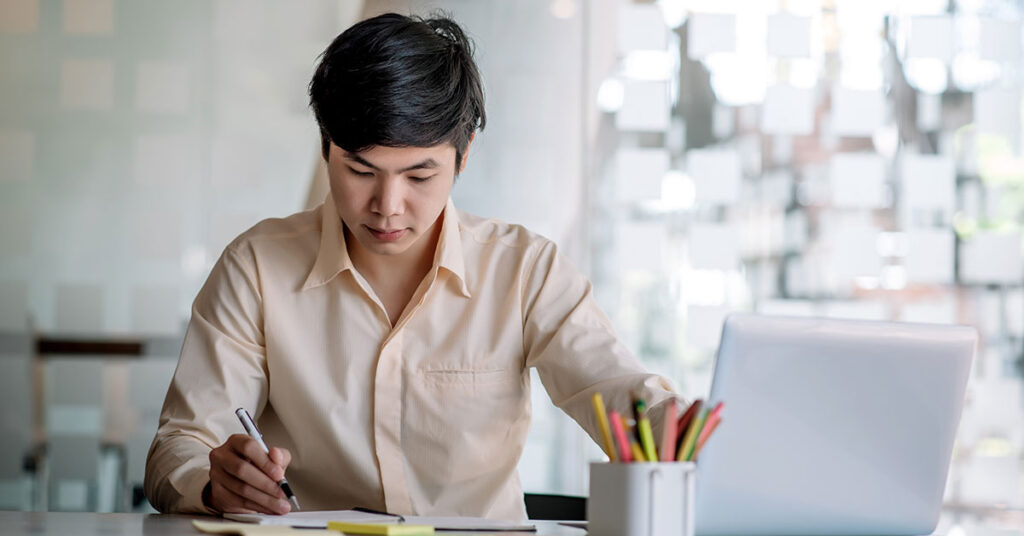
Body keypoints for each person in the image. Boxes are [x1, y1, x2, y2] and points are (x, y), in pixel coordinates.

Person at [145, 12, 681, 520]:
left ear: (464, 154)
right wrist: (215, 485)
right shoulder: (257, 267)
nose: (387, 205)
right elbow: (180, 446)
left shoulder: (523, 270)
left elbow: (620, 395)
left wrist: (689, 439)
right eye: (360, 170)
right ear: (327, 146)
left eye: (419, 176)